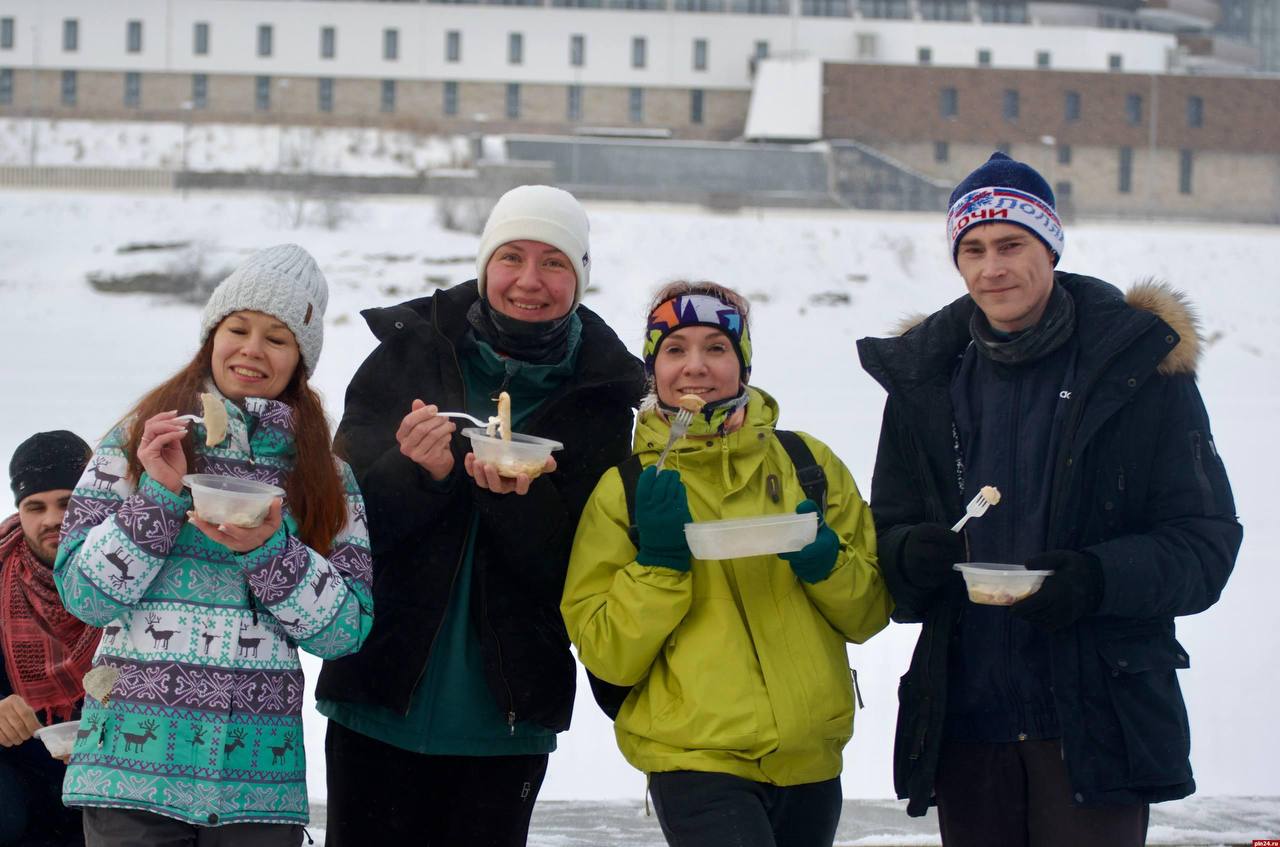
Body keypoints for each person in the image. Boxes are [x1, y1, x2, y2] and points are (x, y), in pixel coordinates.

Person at [856, 152, 1242, 847]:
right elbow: (883, 535)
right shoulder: (925, 382)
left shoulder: (1137, 371)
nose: (991, 268)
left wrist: (1095, 579)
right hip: (967, 720)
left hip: (1096, 717)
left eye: (1011, 245)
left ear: (1051, 246)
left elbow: (1204, 542)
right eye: (972, 250)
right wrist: (910, 555)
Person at [315, 185, 646, 846]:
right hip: (378, 693)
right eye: (512, 257)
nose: (530, 281)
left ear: (579, 277)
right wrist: (417, 475)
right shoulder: (406, 354)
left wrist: (519, 504)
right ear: (484, 261)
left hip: (508, 713)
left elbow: (580, 574)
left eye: (554, 262)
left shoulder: (603, 401)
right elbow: (339, 528)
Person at [53, 244, 374, 846]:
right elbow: (83, 596)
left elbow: (345, 630)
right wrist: (159, 496)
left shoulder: (326, 477)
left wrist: (270, 550)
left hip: (257, 784)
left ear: (300, 358)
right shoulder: (135, 443)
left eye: (278, 337)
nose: (253, 348)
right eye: (239, 328)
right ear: (211, 336)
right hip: (130, 777)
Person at [561, 281, 893, 847]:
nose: (695, 367)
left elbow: (869, 615)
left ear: (742, 363)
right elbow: (607, 654)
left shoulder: (806, 463)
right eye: (675, 349)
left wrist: (825, 563)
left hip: (811, 758)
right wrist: (661, 565)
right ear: (652, 367)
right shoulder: (627, 489)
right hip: (694, 758)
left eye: (716, 347)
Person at [1, 430, 97, 847]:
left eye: (67, 502)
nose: (52, 519)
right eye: (35, 507)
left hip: (115, 775)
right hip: (18, 780)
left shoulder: (133, 570)